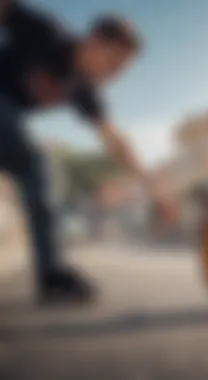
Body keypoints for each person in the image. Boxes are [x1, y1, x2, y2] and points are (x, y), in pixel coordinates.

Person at [0, 1, 147, 305]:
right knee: (36, 162)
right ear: (94, 40)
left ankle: (51, 276)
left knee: (40, 172)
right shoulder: (47, 33)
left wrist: (152, 188)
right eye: (114, 64)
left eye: (121, 71)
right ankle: (51, 274)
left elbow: (114, 139)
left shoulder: (82, 88)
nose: (114, 76)